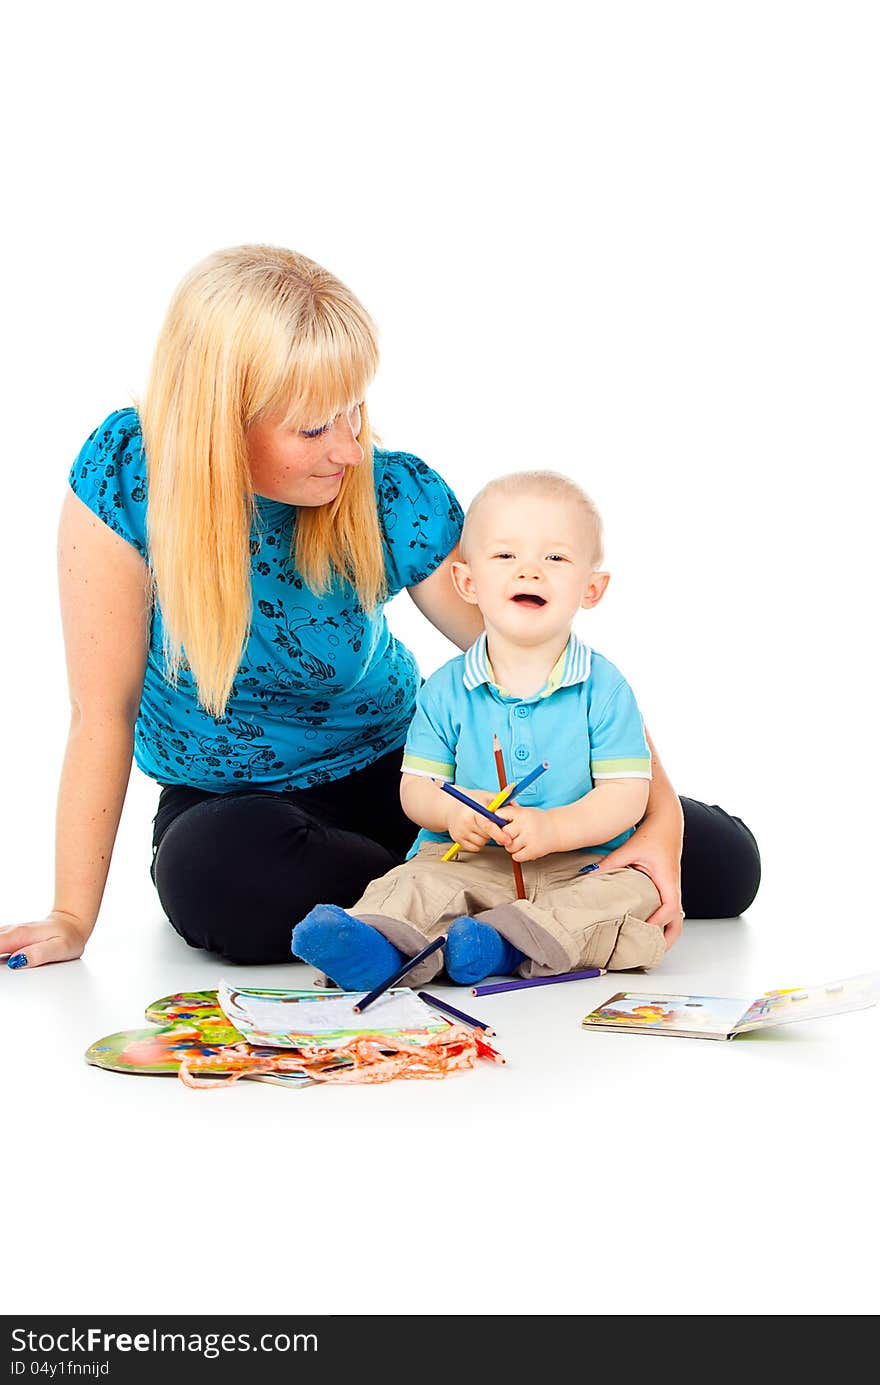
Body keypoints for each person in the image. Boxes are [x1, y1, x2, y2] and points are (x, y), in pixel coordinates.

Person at [1, 245, 758, 973]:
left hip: (410, 777)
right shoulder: (126, 477)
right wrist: (71, 916)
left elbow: (553, 660)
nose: (350, 447)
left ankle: (453, 905)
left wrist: (662, 822)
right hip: (233, 808)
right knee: (224, 880)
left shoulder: (391, 494)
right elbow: (102, 711)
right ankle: (507, 902)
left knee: (725, 866)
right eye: (313, 428)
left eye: (354, 410)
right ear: (222, 424)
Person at [292, 471, 760, 988]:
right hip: (468, 858)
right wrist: (455, 811)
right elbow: (417, 789)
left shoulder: (604, 688)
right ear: (467, 582)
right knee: (413, 883)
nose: (530, 571)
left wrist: (555, 830)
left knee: (632, 894)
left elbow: (626, 796)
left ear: (592, 588)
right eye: (505, 556)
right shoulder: (445, 689)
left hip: (581, 865)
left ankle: (501, 946)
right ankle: (378, 948)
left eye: (555, 558)